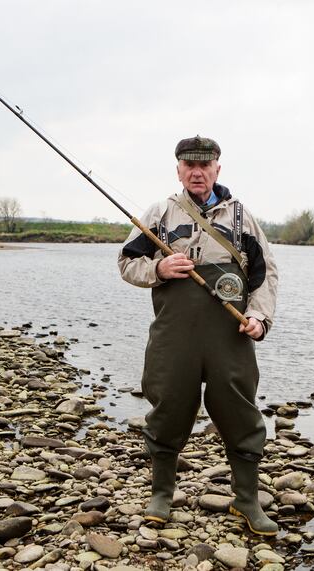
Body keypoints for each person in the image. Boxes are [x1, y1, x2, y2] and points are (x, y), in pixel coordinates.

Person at [117, 135, 279, 536]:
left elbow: (265, 276)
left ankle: (246, 500)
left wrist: (259, 317)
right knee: (168, 405)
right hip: (174, 336)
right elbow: (126, 261)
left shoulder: (242, 218)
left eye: (204, 165)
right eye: (189, 165)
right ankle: (161, 494)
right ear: (178, 170)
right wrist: (158, 270)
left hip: (231, 336)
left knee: (240, 410)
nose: (196, 171)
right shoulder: (160, 213)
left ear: (217, 169)